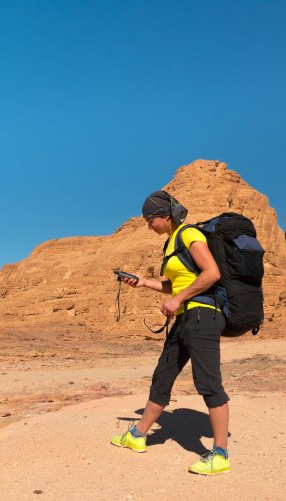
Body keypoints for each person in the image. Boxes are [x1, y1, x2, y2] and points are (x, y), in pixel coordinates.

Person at [110, 190, 231, 476]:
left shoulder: (189, 234)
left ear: (165, 215)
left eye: (150, 219)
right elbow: (173, 285)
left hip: (203, 315)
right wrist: (144, 283)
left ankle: (220, 454)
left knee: (208, 383)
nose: (148, 225)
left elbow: (211, 273)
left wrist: (178, 299)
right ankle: (138, 435)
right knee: (162, 375)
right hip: (186, 318)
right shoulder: (171, 244)